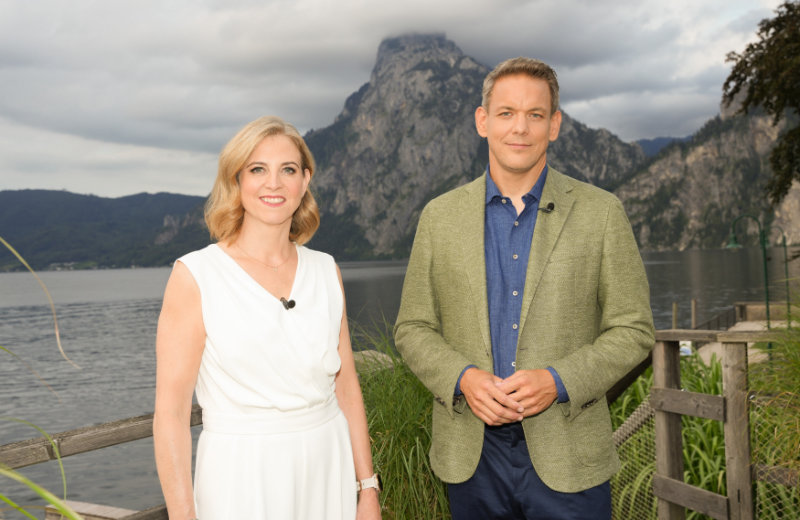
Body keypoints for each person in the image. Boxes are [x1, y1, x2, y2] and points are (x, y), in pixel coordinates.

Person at [394, 57, 655, 519]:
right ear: (483, 121)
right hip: (471, 457)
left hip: (570, 455)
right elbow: (412, 328)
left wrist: (557, 381)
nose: (520, 128)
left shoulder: (601, 213)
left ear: (554, 125)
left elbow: (633, 330)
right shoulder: (439, 217)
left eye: (535, 114)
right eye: (506, 113)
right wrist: (463, 378)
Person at [153, 116, 382, 519]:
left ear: (304, 181)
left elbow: (346, 386)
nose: (273, 183)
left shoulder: (325, 270)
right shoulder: (197, 275)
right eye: (258, 169)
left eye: (287, 170)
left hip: (328, 469)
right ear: (237, 180)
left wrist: (367, 489)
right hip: (242, 477)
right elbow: (171, 415)